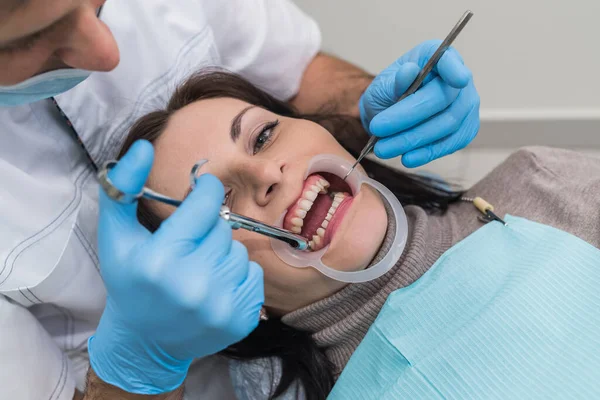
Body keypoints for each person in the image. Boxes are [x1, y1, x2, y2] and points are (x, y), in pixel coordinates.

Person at [0, 1, 480, 399]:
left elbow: (300, 73)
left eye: (264, 134)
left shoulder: (537, 181)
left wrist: (373, 107)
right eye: (28, 36)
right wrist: (140, 365)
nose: (106, 52)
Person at [118, 70, 600, 399]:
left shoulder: (540, 182)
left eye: (263, 135)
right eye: (217, 204)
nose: (264, 172)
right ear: (217, 286)